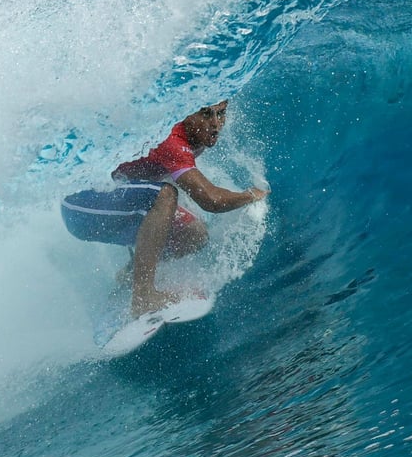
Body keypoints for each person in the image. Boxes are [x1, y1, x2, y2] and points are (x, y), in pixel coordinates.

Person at [61, 100, 269, 316]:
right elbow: (211, 201)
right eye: (206, 115)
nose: (216, 124)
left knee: (194, 234)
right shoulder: (173, 140)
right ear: (187, 114)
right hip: (79, 206)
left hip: (115, 204)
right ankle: (143, 297)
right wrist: (251, 195)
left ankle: (130, 278)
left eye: (221, 113)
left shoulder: (195, 136)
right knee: (166, 194)